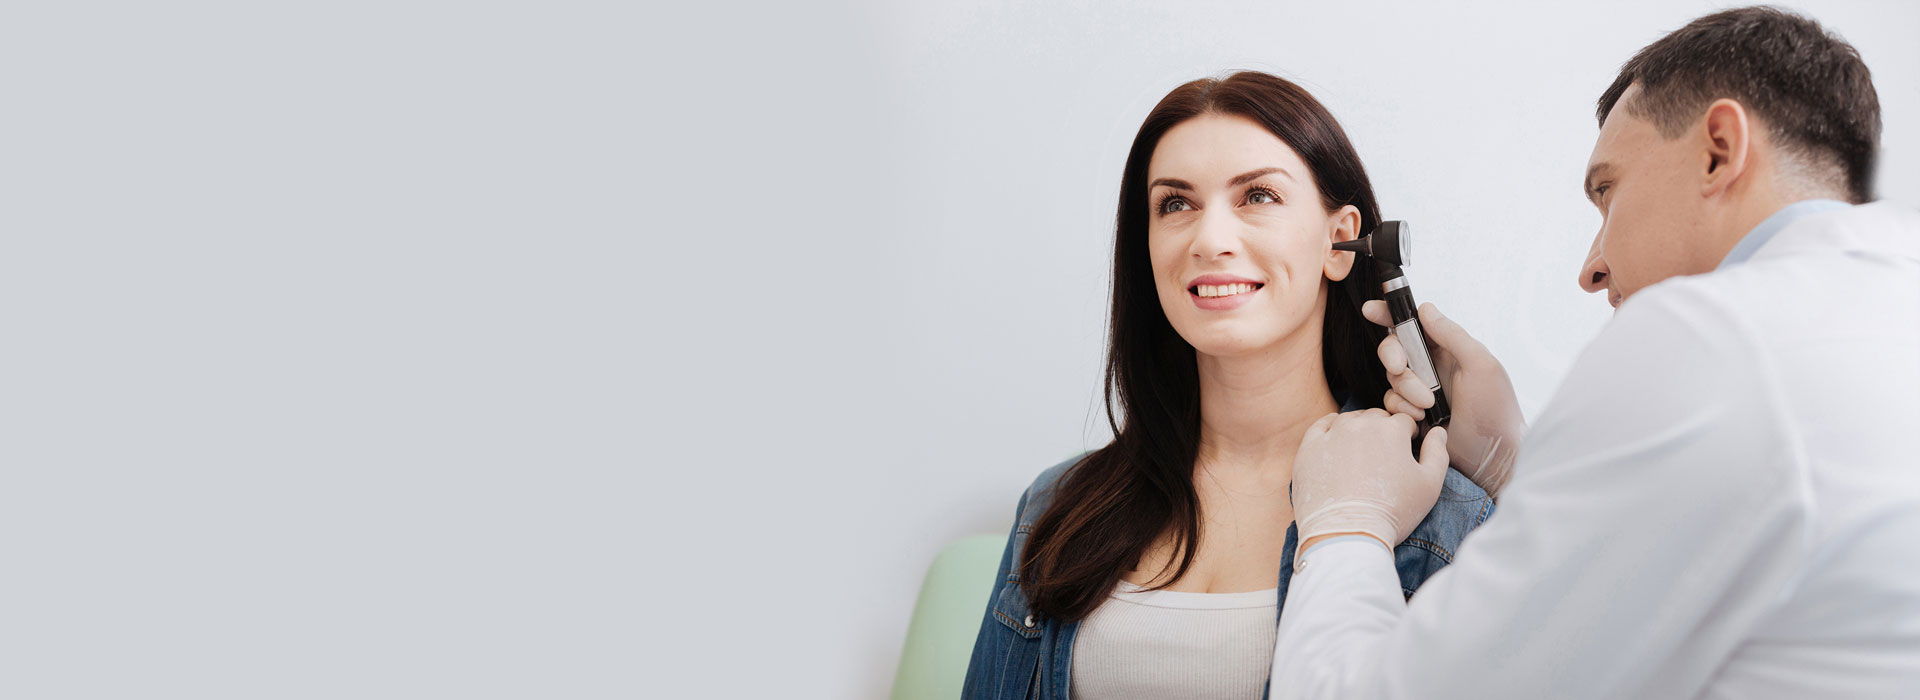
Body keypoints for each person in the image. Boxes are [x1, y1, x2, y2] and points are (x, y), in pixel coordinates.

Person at [1269, 7, 1920, 698]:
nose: (1591, 268)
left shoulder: (1705, 340)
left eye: (1608, 191)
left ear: (1718, 150)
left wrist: (1343, 527)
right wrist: (1515, 471)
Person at [960, 71, 1491, 700]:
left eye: (1258, 195)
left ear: (1340, 242)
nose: (1210, 240)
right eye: (1175, 204)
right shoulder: (1056, 504)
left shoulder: (1444, 516)